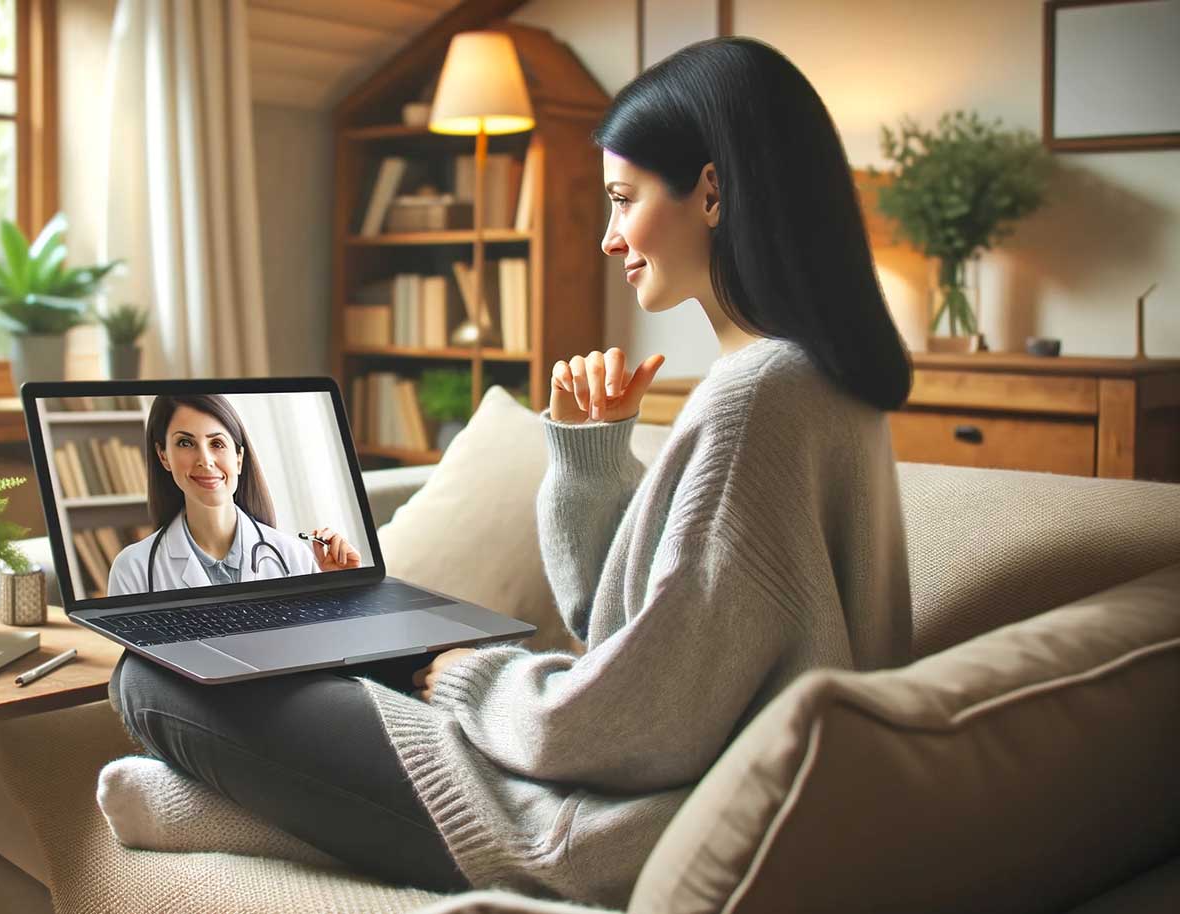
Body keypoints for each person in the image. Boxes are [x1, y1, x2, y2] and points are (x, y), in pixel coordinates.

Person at [101, 37, 912, 909]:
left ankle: (243, 805)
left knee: (152, 673)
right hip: (621, 787)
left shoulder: (759, 400)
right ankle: (268, 790)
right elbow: (638, 636)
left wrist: (462, 674)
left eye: (623, 200)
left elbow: (640, 723)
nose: (607, 238)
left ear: (712, 191)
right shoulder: (827, 384)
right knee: (331, 642)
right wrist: (591, 456)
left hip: (585, 827)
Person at [106, 394, 362, 596]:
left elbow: (321, 651)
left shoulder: (293, 557)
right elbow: (132, 662)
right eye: (185, 443)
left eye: (217, 444)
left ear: (238, 458)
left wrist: (341, 591)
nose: (205, 461)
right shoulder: (134, 569)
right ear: (164, 456)